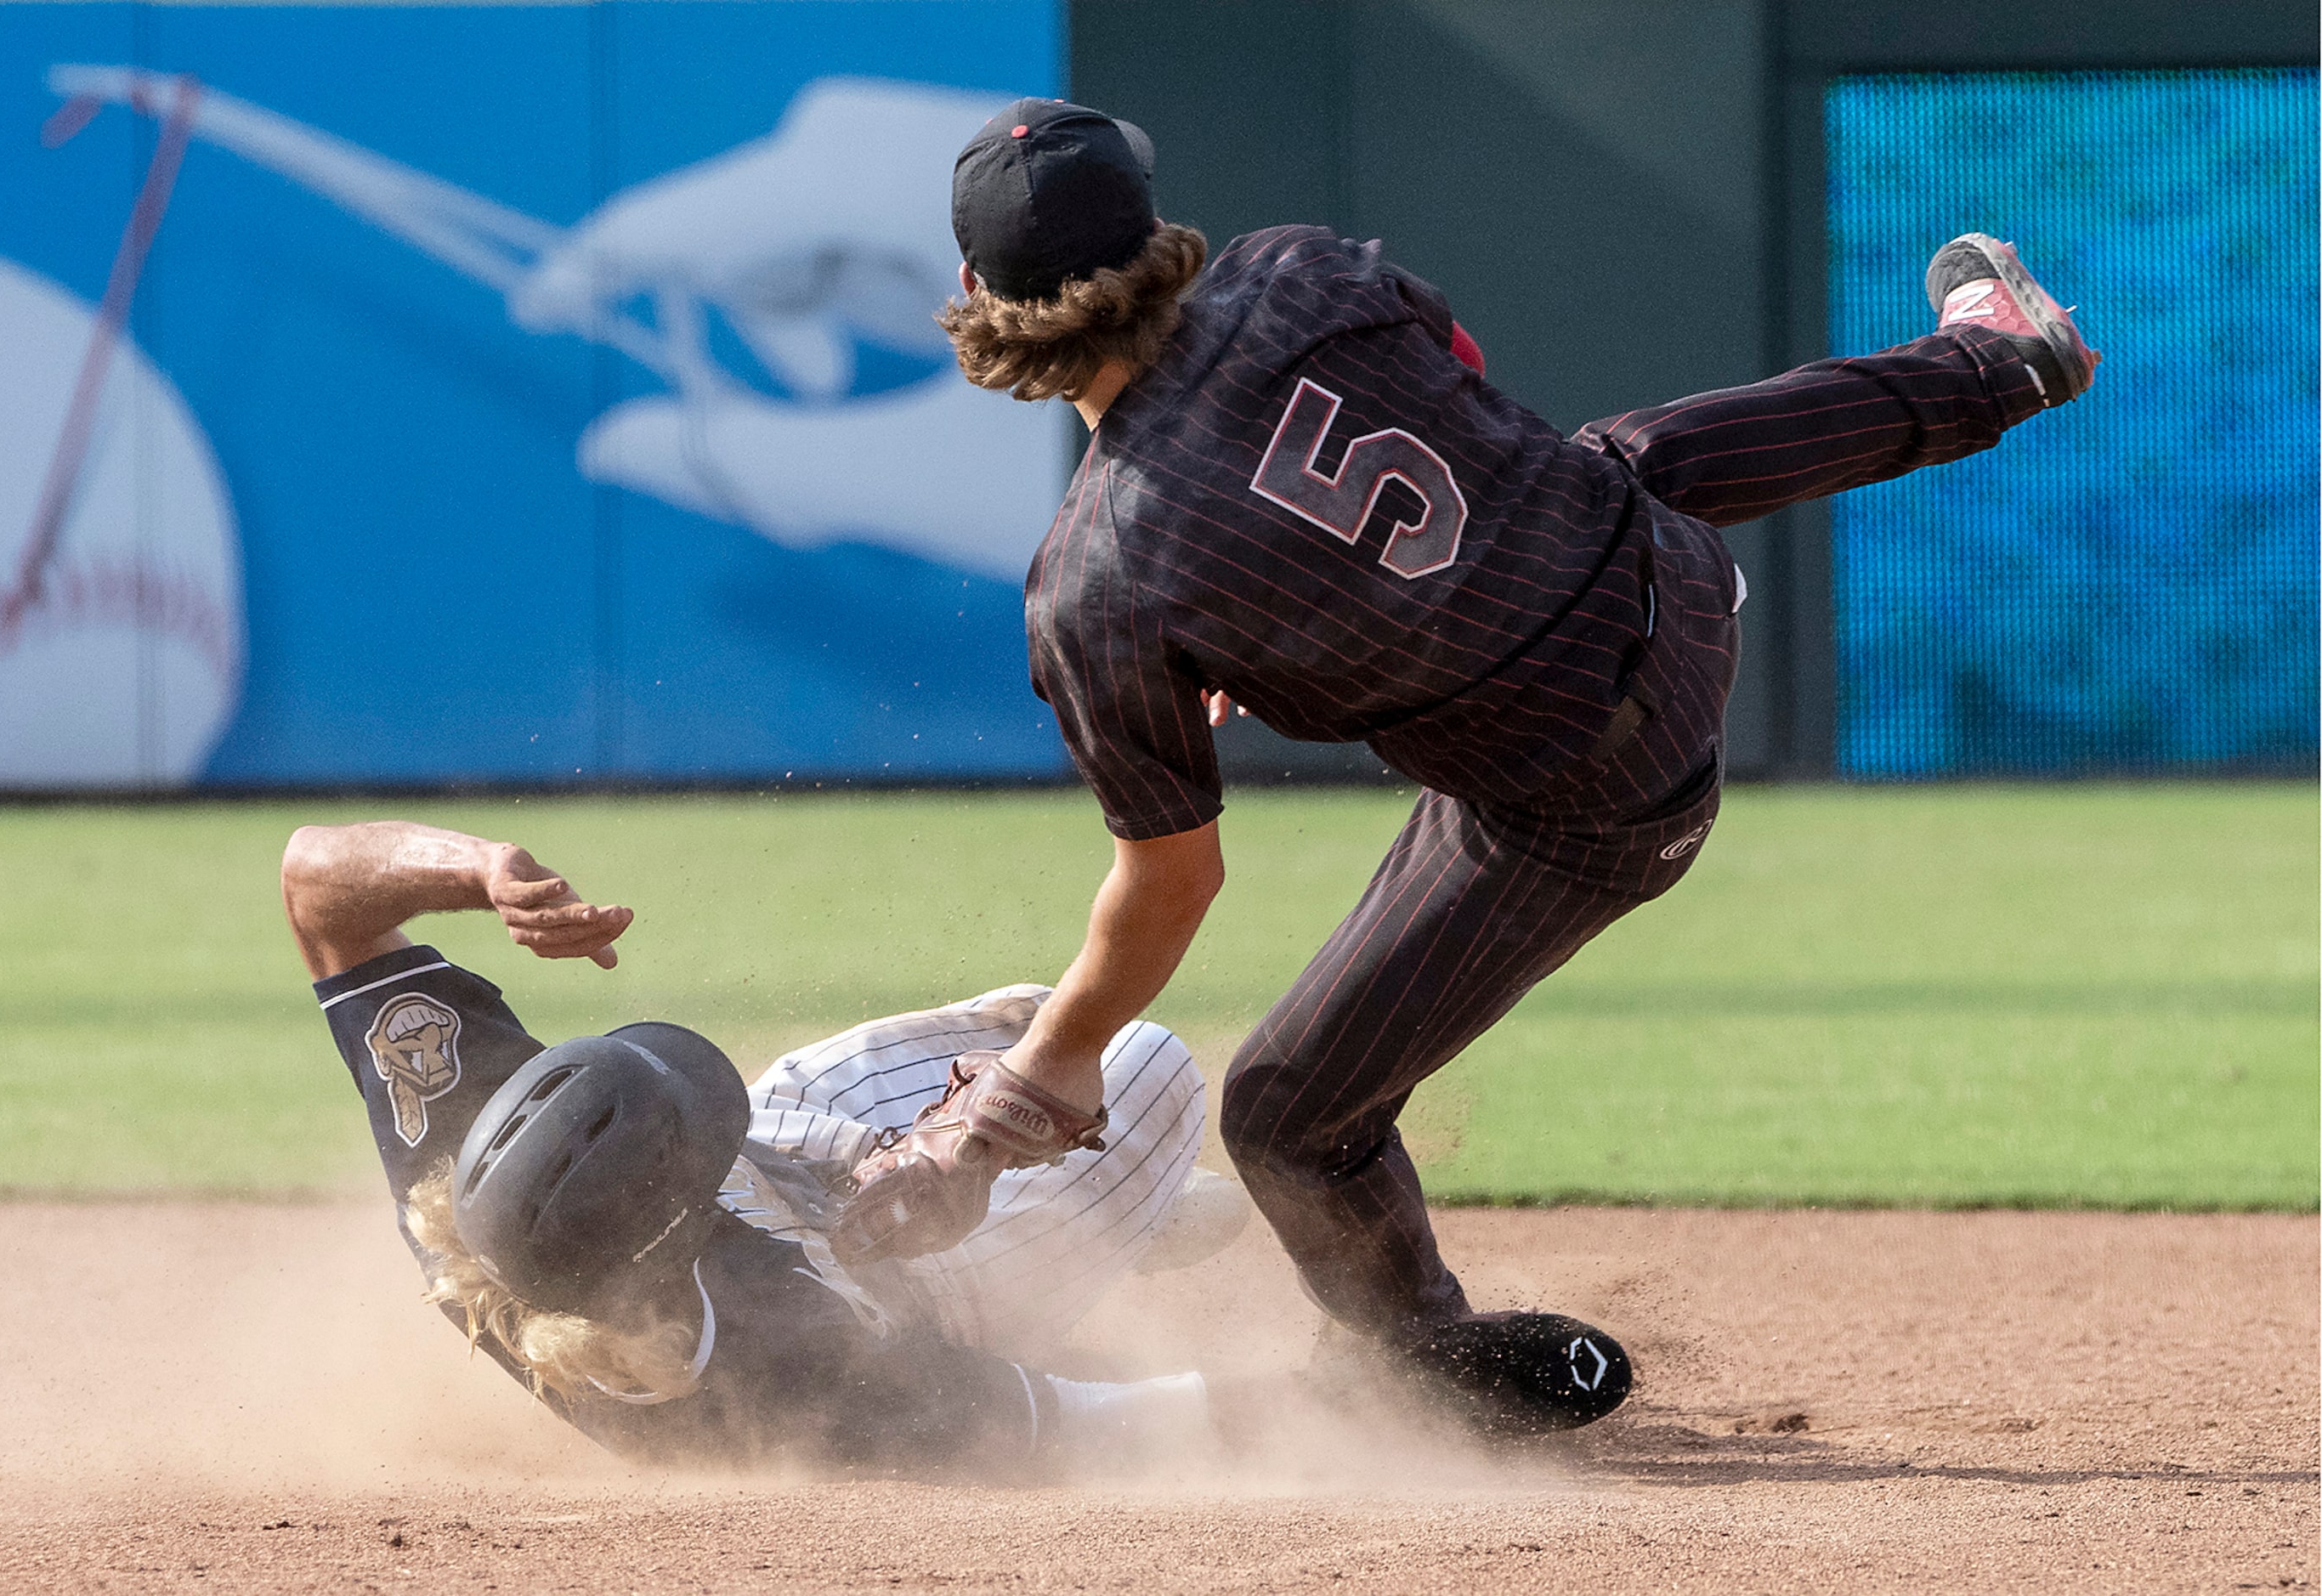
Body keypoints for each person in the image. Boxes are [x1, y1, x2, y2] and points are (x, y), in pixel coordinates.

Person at [831, 99, 2098, 1427]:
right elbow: (1460, 374)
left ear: (980, 295)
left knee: (1285, 1115)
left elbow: (1170, 883)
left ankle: (1429, 1382)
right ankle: (1998, 366)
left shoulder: (1099, 585)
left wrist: (1030, 1085)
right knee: (1596, 466)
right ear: (1151, 236)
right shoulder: (1292, 271)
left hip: (1594, 794)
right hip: (1668, 571)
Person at [280, 818, 1262, 1474]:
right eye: (694, 1134)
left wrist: (481, 868)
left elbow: (315, 880)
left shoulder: (475, 1180)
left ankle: (1118, 1195)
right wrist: (1306, 1403)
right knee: (1144, 1060)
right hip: (926, 1285)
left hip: (784, 1169)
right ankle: (1112, 1211)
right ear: (677, 1219)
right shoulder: (792, 1369)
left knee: (1034, 1031)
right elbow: (1058, 1427)